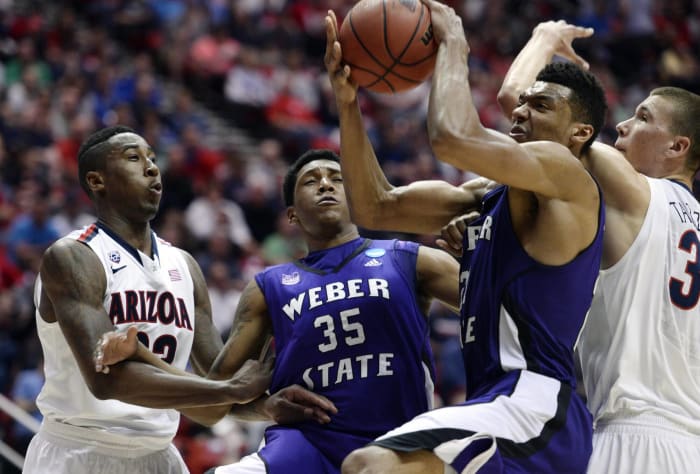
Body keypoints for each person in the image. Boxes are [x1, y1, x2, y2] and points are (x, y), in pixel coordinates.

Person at [324, 0, 607, 472]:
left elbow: (452, 137)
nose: (520, 112)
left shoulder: (568, 177)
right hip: (501, 404)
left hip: (533, 402)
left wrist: (453, 43)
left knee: (369, 465)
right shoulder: (487, 195)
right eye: (522, 102)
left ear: (579, 133)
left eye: (540, 106)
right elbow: (375, 206)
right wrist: (348, 102)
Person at [96, 148, 462, 474]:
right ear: (292, 215)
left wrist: (478, 247)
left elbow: (501, 305)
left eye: (337, 179)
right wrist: (143, 355)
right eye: (311, 181)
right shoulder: (269, 286)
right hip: (305, 448)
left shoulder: (409, 259)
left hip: (397, 446)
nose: (325, 185)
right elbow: (215, 400)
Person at [23, 125, 306, 474]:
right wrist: (231, 389)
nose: (152, 167)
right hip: (80, 451)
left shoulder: (184, 265)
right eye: (133, 158)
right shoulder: (74, 256)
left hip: (159, 454)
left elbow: (214, 387)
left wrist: (265, 407)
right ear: (97, 181)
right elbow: (106, 379)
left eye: (153, 159)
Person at [493, 20, 700, 474]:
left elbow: (521, 103)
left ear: (677, 147)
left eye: (643, 118)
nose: (623, 125)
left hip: (633, 438)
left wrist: (545, 37)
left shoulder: (635, 192)